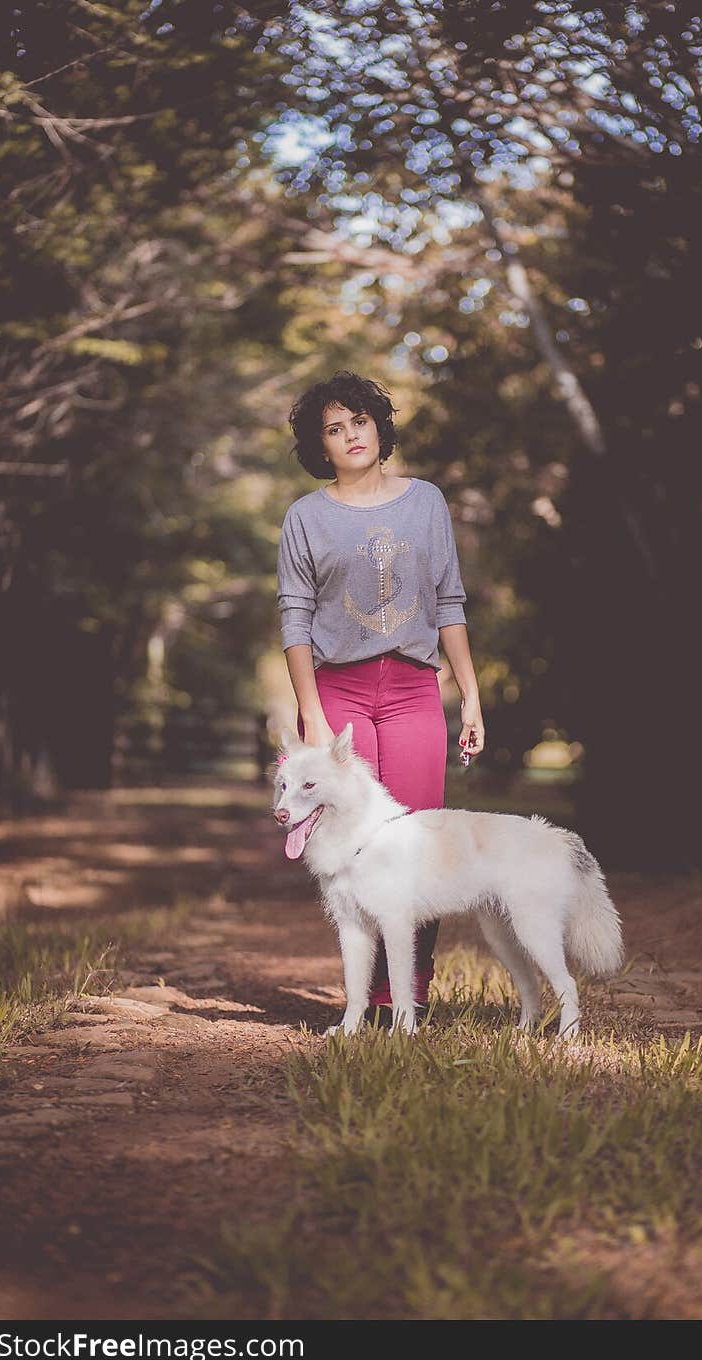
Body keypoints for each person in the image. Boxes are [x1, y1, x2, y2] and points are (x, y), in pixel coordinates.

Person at [277, 370, 485, 1025]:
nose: (350, 436)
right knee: (354, 847)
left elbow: (448, 600)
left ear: (378, 425)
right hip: (338, 695)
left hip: (412, 692)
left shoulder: (425, 502)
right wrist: (311, 712)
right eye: (334, 429)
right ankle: (362, 994)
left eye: (359, 421)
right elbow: (295, 619)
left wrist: (471, 695)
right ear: (321, 446)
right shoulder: (305, 518)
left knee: (416, 842)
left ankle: (408, 991)